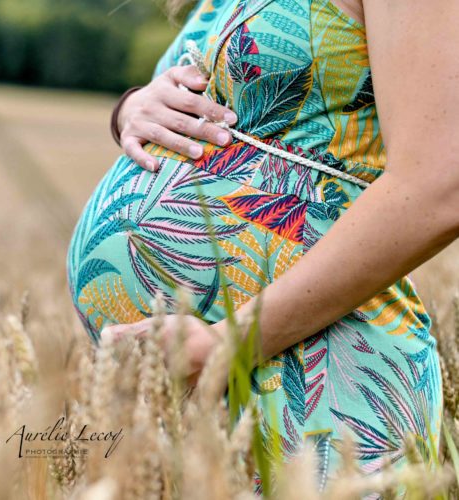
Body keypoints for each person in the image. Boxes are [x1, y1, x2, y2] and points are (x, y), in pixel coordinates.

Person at [66, 0, 458, 494]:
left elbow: (440, 185)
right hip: (187, 401)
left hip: (320, 382)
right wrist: (130, 109)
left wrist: (226, 344)